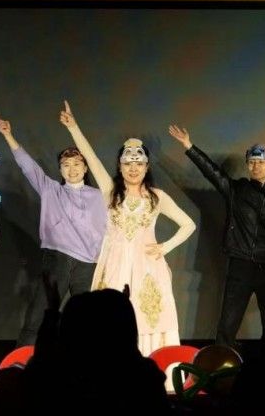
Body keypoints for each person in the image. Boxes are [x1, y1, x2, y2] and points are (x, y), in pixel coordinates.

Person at [61, 102, 195, 355]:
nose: (133, 169)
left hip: (147, 267)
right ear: (120, 166)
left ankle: (151, 368)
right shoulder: (110, 191)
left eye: (139, 164)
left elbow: (189, 224)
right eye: (128, 164)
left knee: (149, 320)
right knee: (109, 320)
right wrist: (73, 127)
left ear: (146, 167)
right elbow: (91, 157)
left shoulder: (157, 197)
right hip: (114, 264)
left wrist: (165, 247)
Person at [168, 125, 265, 347]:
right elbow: (212, 172)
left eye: (261, 162)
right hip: (240, 263)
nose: (256, 166)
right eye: (252, 162)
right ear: (247, 164)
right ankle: (221, 363)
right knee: (227, 324)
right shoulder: (236, 189)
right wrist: (189, 145)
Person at [0, 111, 108, 346]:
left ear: (86, 168)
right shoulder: (51, 190)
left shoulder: (101, 196)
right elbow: (29, 167)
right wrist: (8, 136)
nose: (72, 169)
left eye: (77, 164)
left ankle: (83, 365)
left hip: (89, 264)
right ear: (60, 169)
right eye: (66, 165)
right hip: (58, 259)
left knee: (85, 322)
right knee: (38, 316)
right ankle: (22, 362)